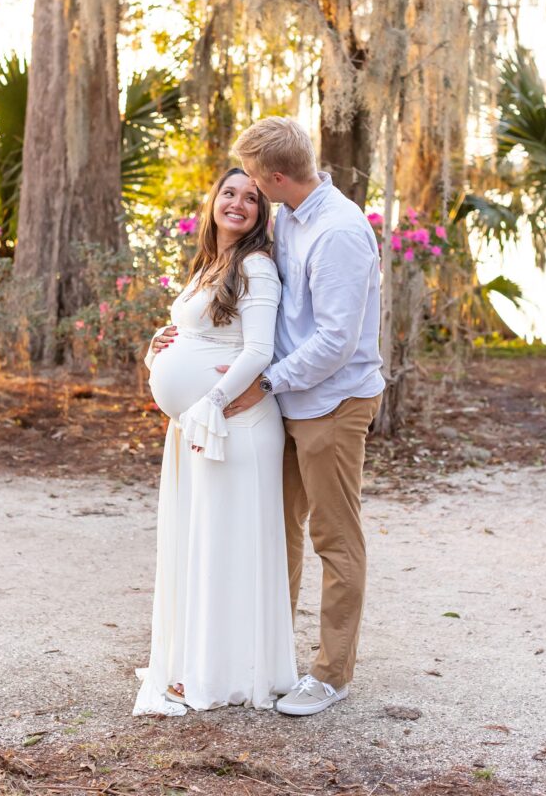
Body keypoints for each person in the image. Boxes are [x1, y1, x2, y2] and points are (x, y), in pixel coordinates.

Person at [227, 117, 384, 716]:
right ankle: (273, 658)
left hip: (332, 403)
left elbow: (337, 341)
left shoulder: (340, 232)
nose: (250, 190)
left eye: (254, 180)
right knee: (278, 530)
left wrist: (266, 381)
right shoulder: (289, 215)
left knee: (334, 537)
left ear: (277, 177)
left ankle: (331, 673)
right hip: (289, 397)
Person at [133, 168, 297, 717]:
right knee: (202, 543)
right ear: (213, 202)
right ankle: (196, 661)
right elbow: (197, 334)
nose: (238, 203)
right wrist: (158, 349)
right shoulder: (210, 262)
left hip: (236, 427)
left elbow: (257, 350)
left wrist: (211, 402)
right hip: (199, 428)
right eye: (229, 193)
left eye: (251, 198)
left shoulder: (256, 266)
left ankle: (228, 674)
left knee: (227, 549)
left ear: (260, 213)